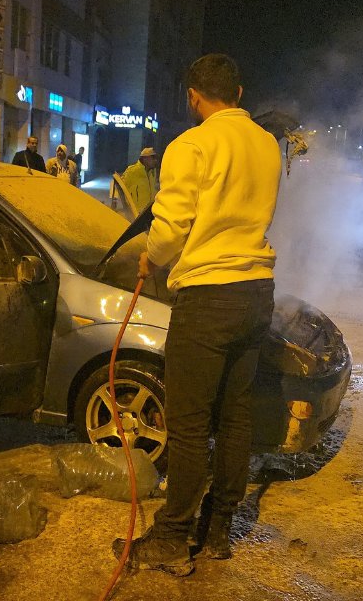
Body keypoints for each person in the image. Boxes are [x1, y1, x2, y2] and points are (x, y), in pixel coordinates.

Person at [118, 53, 280, 576]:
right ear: (239, 90)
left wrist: (152, 256)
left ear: (193, 95)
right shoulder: (265, 143)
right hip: (256, 291)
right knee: (235, 418)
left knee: (188, 426)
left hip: (207, 294)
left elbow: (170, 226)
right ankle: (216, 532)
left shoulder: (191, 144)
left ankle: (170, 538)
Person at [120, 147, 160, 214]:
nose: (155, 160)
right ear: (145, 159)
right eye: (153, 158)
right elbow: (119, 185)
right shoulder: (132, 171)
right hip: (136, 213)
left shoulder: (152, 172)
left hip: (149, 211)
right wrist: (115, 201)